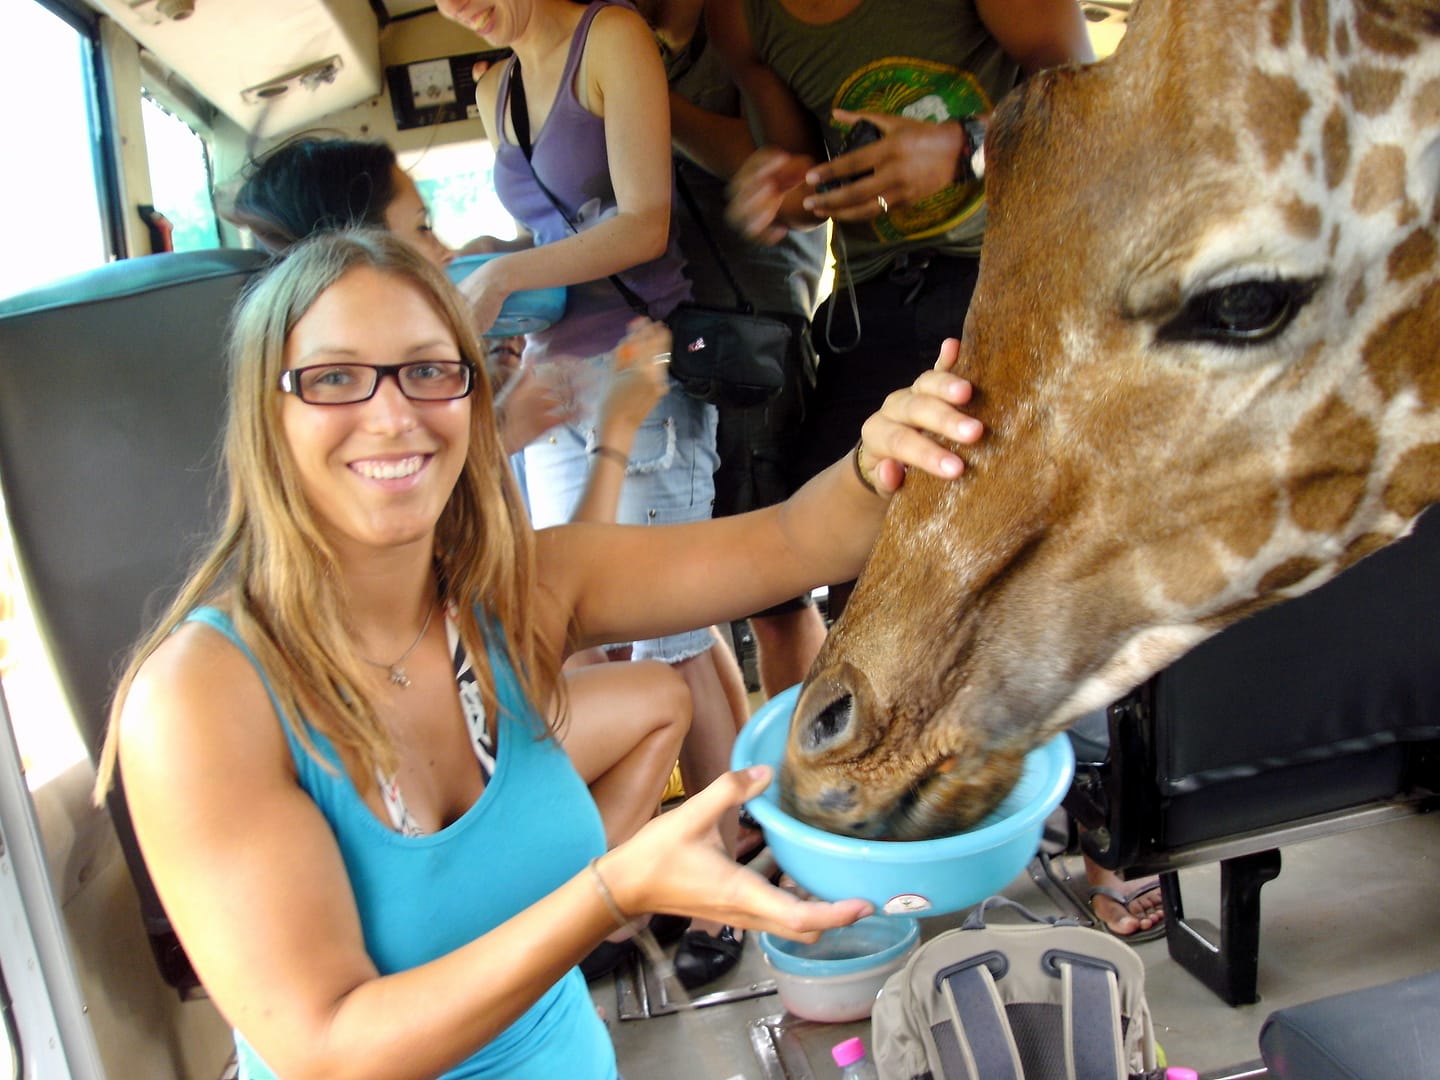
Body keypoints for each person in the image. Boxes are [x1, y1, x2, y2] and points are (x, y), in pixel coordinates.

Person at [94, 228, 982, 1079]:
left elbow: (792, 542)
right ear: (265, 413)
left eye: (429, 371)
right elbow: (329, 1048)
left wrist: (883, 458)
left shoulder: (520, 595)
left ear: (474, 395)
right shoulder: (202, 696)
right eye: (333, 379)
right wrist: (611, 889)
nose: (393, 414)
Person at [222, 137, 692, 960]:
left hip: (464, 716)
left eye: (433, 376)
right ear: (361, 256)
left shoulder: (432, 424)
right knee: (640, 688)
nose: (448, 252)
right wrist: (612, 430)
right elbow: (539, 610)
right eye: (422, 228)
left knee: (658, 692)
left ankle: (561, 922)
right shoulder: (405, 477)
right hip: (429, 748)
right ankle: (560, 928)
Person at [447, 0, 762, 985]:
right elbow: (551, 228)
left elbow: (644, 219)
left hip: (640, 365)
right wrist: (493, 269)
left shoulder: (610, 36)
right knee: (606, 623)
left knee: (669, 636)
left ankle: (720, 880)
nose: (461, 7)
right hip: (551, 383)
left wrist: (502, 272)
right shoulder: (499, 90)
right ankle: (716, 849)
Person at [710, 0, 1094, 621]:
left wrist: (966, 148)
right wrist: (781, 194)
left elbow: (1089, 100)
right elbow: (802, 170)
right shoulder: (740, 19)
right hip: (874, 302)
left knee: (1025, 564)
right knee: (853, 574)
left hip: (1018, 276)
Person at [637, 0, 832, 700]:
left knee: (776, 595)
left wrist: (645, 100)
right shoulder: (647, 52)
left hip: (753, 344)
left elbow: (779, 167)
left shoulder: (744, 37)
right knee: (699, 589)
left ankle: (794, 784)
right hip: (682, 350)